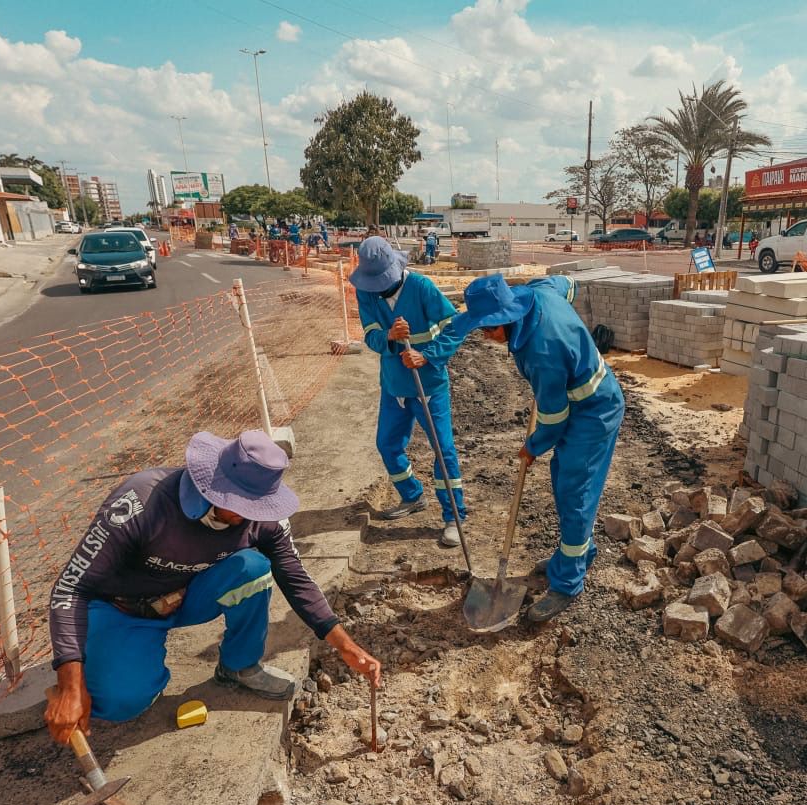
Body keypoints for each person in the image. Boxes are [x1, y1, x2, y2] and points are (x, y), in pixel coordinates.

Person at [43, 430, 382, 743]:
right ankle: (113, 662)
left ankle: (239, 666)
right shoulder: (142, 501)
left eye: (258, 506)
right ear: (215, 487)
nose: (250, 516)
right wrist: (70, 684)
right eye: (242, 506)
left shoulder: (263, 518)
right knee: (121, 703)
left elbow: (294, 576)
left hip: (186, 595)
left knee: (254, 569)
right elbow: (70, 587)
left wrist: (345, 645)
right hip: (119, 607)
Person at [451, 273, 623, 622]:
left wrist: (532, 447)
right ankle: (577, 553)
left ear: (508, 317)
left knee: (576, 494)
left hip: (594, 411)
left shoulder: (542, 350)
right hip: (576, 401)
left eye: (489, 328)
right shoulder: (537, 292)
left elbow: (554, 418)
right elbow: (567, 283)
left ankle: (568, 583)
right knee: (564, 482)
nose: (485, 336)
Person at [350, 236, 468, 547]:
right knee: (387, 444)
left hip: (428, 385)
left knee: (443, 450)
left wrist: (426, 355)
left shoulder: (421, 287)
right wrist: (389, 336)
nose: (377, 288)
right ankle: (412, 495)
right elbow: (370, 335)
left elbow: (454, 327)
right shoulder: (365, 292)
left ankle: (453, 516)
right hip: (394, 386)